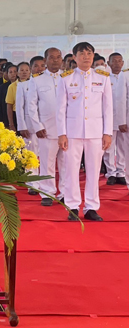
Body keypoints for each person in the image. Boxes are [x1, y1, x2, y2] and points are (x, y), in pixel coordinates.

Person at [57, 42, 113, 221]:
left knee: (94, 170)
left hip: (96, 132)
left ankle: (91, 207)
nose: (86, 57)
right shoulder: (66, 78)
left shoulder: (103, 77)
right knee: (71, 170)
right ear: (74, 57)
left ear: (93, 55)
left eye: (89, 53)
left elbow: (108, 108)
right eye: (82, 54)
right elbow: (60, 109)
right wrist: (62, 133)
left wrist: (107, 133)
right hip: (72, 132)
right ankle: (73, 206)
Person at [26, 47, 64, 206]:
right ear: (45, 60)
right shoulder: (37, 79)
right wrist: (37, 126)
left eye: (58, 57)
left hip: (67, 129)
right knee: (47, 162)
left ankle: (65, 192)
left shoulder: (68, 77)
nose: (55, 60)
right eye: (51, 57)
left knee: (66, 163)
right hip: (46, 129)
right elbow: (31, 105)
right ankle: (47, 193)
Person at [15, 59, 43, 195]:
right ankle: (32, 183)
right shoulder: (23, 85)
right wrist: (22, 126)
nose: (39, 68)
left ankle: (45, 182)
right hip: (29, 125)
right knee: (30, 154)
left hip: (46, 125)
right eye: (36, 66)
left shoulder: (49, 82)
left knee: (44, 155)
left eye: (42, 66)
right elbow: (19, 108)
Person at [102, 53, 128, 185]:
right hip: (109, 117)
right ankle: (111, 172)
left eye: (119, 61)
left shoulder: (126, 76)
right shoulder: (104, 78)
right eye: (114, 61)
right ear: (109, 63)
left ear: (123, 63)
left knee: (123, 146)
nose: (117, 64)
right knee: (109, 147)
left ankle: (120, 172)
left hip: (124, 117)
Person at [0, 63, 16, 127]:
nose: (13, 74)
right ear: (7, 74)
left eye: (15, 72)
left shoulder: (23, 85)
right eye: (10, 72)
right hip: (5, 117)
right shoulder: (2, 87)